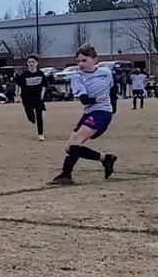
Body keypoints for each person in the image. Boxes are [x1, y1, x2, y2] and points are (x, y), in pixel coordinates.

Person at [49, 44, 117, 186]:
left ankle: (66, 175)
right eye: (78, 61)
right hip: (89, 111)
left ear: (95, 60)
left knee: (76, 142)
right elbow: (84, 100)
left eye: (84, 61)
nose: (80, 64)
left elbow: (112, 89)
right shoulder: (77, 77)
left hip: (102, 112)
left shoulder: (106, 72)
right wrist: (96, 99)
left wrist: (111, 107)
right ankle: (105, 158)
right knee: (70, 148)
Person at [16, 54, 48, 140]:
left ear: (37, 63)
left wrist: (42, 94)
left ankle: (40, 134)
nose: (31, 63)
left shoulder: (41, 74)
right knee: (30, 114)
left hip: (37, 98)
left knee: (39, 115)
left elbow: (44, 86)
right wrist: (18, 95)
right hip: (26, 98)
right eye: (29, 62)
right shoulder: (24, 74)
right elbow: (18, 85)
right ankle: (31, 118)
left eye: (33, 62)